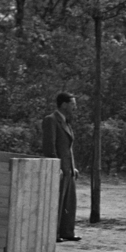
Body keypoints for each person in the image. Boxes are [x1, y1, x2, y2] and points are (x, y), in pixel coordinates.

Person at [42, 92, 78, 241]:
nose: (75, 107)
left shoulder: (67, 121)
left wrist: (73, 167)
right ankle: (54, 233)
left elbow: (68, 147)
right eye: (72, 104)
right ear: (63, 104)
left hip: (68, 168)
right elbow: (50, 146)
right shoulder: (51, 120)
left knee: (69, 201)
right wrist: (56, 166)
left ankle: (67, 231)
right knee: (57, 201)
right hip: (59, 169)